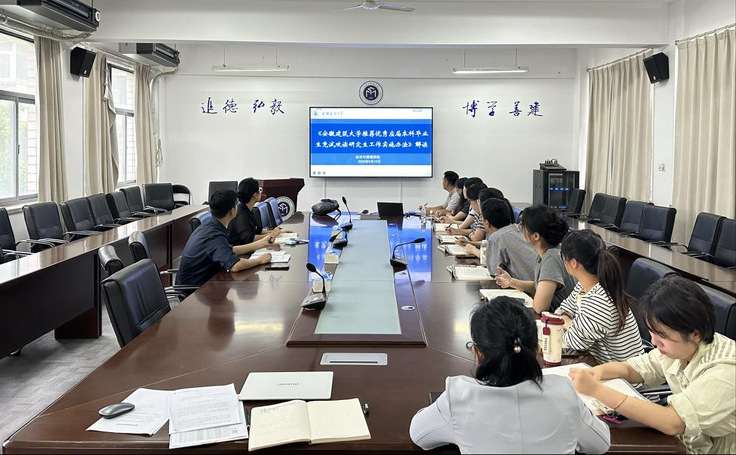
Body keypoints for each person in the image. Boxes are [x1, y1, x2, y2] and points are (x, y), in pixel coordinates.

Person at [409, 297, 610, 454]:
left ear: (478, 354)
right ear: (537, 350)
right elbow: (601, 444)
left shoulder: (459, 396)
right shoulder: (565, 393)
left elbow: (419, 434)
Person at [569, 276, 735, 454]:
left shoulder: (725, 371)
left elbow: (673, 422)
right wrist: (596, 373)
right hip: (686, 441)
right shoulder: (681, 347)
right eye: (651, 332)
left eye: (662, 335)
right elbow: (632, 369)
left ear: (695, 333)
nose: (654, 342)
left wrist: (596, 390)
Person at [556, 229, 644, 363]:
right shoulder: (586, 285)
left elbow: (574, 342)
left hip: (620, 374)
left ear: (573, 263)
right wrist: (571, 323)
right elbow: (561, 310)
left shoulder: (600, 301)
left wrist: (567, 322)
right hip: (599, 365)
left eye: (563, 257)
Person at [177, 190, 272, 286]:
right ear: (232, 211)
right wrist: (260, 260)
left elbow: (229, 250)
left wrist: (261, 243)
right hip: (195, 290)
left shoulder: (210, 225)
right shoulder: (213, 235)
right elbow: (235, 266)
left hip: (205, 283)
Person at [495, 204, 576, 313]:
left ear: (536, 236)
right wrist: (512, 282)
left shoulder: (551, 259)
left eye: (523, 227)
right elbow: (540, 287)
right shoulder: (547, 253)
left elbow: (540, 307)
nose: (521, 229)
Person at [465, 198, 536, 281]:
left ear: (487, 223)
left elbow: (495, 272)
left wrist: (473, 250)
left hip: (526, 285)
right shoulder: (518, 228)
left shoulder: (496, 238)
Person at [228, 177, 289, 246]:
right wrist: (272, 235)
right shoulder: (241, 214)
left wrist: (281, 233)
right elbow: (249, 239)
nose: (261, 192)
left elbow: (258, 230)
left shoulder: (249, 209)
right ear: (255, 195)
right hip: (240, 250)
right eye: (260, 190)